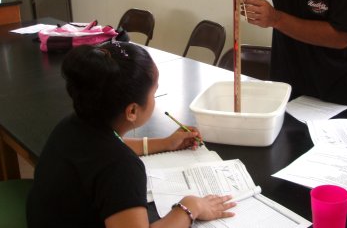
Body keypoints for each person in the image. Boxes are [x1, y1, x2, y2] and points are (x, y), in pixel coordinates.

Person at [26, 42, 235, 227]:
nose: (155, 98)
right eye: (154, 92)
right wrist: (191, 207)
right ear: (132, 111)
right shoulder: (121, 167)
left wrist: (165, 143)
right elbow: (113, 159)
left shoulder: (74, 124)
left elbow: (108, 149)